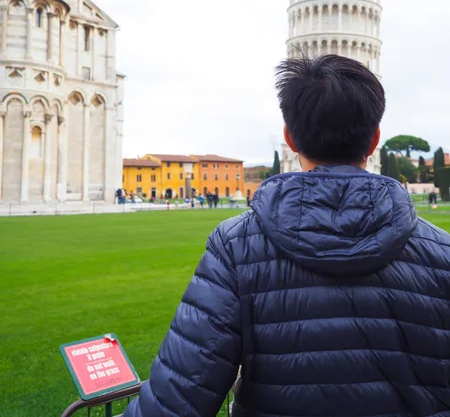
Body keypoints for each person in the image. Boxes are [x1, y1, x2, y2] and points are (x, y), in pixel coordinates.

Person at [125, 54, 450, 416]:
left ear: (290, 137)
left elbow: (178, 399)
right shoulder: (442, 251)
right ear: (374, 140)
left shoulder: (235, 245)